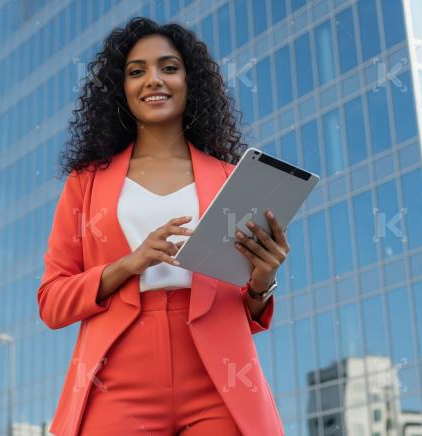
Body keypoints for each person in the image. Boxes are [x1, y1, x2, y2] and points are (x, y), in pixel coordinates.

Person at [38, 17, 290, 436]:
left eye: (168, 67)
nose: (153, 80)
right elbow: (51, 302)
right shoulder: (86, 182)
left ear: (191, 82)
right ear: (121, 90)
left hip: (217, 375)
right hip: (117, 373)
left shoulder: (232, 178)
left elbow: (243, 310)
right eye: (137, 71)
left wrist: (263, 281)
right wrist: (128, 265)